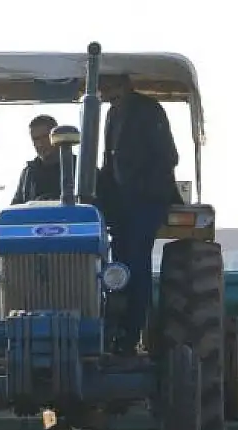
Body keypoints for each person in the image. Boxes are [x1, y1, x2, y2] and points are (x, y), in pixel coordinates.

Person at [97, 73, 184, 354]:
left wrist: (141, 187)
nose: (108, 93)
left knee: (135, 258)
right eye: (103, 89)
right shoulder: (112, 114)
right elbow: (110, 161)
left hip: (147, 199)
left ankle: (134, 329)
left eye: (110, 86)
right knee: (116, 261)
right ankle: (113, 325)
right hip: (122, 202)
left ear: (125, 85)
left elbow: (168, 156)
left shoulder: (148, 110)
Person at [10, 114, 67, 205]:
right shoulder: (28, 173)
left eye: (45, 137)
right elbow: (16, 208)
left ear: (56, 137)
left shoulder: (82, 171)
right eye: (36, 139)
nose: (40, 144)